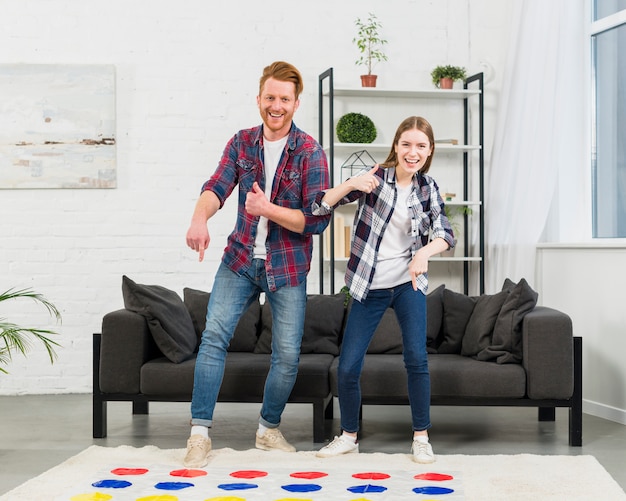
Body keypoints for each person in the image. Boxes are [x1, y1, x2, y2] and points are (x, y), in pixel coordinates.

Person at [183, 61, 331, 468]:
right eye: (270, 98)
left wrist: (268, 208)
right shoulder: (242, 143)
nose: (276, 106)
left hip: (287, 268)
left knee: (287, 355)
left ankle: (268, 429)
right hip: (240, 259)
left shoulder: (310, 152)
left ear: (296, 103)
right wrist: (199, 219)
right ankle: (199, 434)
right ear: (259, 99)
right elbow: (216, 186)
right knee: (213, 337)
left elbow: (315, 220)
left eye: (285, 99)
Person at [312, 116, 455, 464]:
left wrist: (424, 252)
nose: (413, 152)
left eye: (421, 145)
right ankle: (348, 435)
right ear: (396, 146)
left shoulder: (428, 188)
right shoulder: (374, 180)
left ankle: (421, 437)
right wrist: (350, 184)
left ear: (430, 150)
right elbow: (320, 206)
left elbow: (445, 234)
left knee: (416, 360)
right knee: (348, 366)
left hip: (408, 285)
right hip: (369, 285)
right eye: (406, 144)